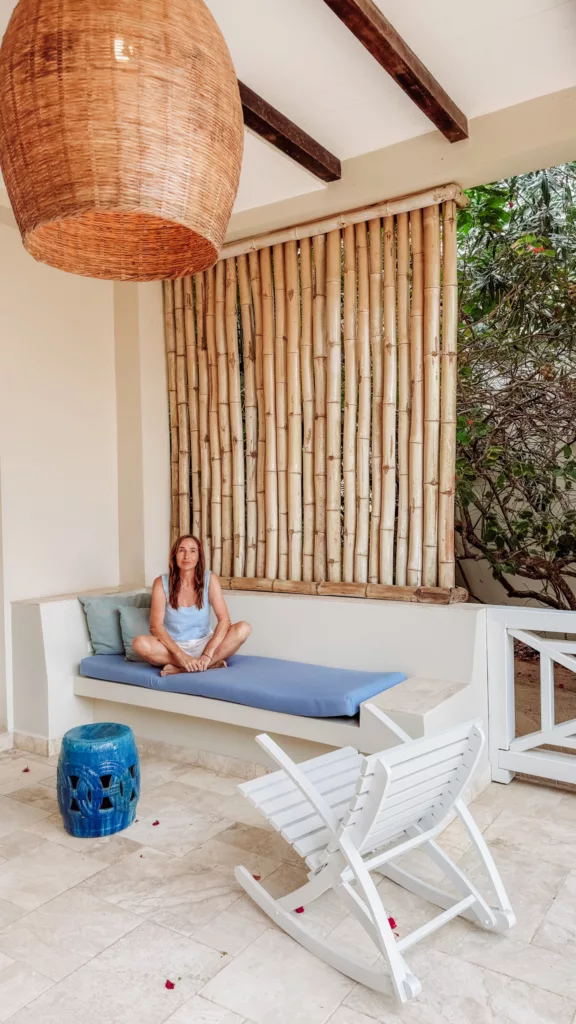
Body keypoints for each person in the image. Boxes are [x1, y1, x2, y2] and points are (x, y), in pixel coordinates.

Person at [133, 534, 251, 676]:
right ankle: (205, 665)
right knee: (139, 643)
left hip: (204, 643)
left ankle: (184, 669)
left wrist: (207, 654)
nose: (186, 556)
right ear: (174, 555)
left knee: (243, 628)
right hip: (174, 648)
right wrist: (181, 656)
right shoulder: (160, 583)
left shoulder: (209, 579)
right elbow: (156, 627)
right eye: (181, 550)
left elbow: (224, 621)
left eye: (192, 551)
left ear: (198, 556)